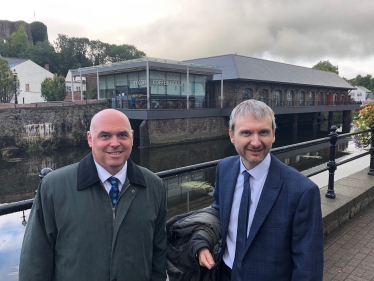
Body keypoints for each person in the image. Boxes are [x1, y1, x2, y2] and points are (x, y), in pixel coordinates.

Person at [19, 109, 167, 281]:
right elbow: (35, 260)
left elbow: (158, 255)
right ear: (90, 138)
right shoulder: (54, 187)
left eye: (122, 135)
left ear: (132, 137)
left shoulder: (154, 186)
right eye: (105, 136)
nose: (115, 143)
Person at [198, 99, 324, 280]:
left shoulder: (302, 191)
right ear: (232, 135)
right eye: (246, 133)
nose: (255, 142)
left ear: (273, 134)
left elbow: (308, 266)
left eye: (263, 132)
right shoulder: (224, 169)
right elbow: (217, 212)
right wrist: (202, 243)